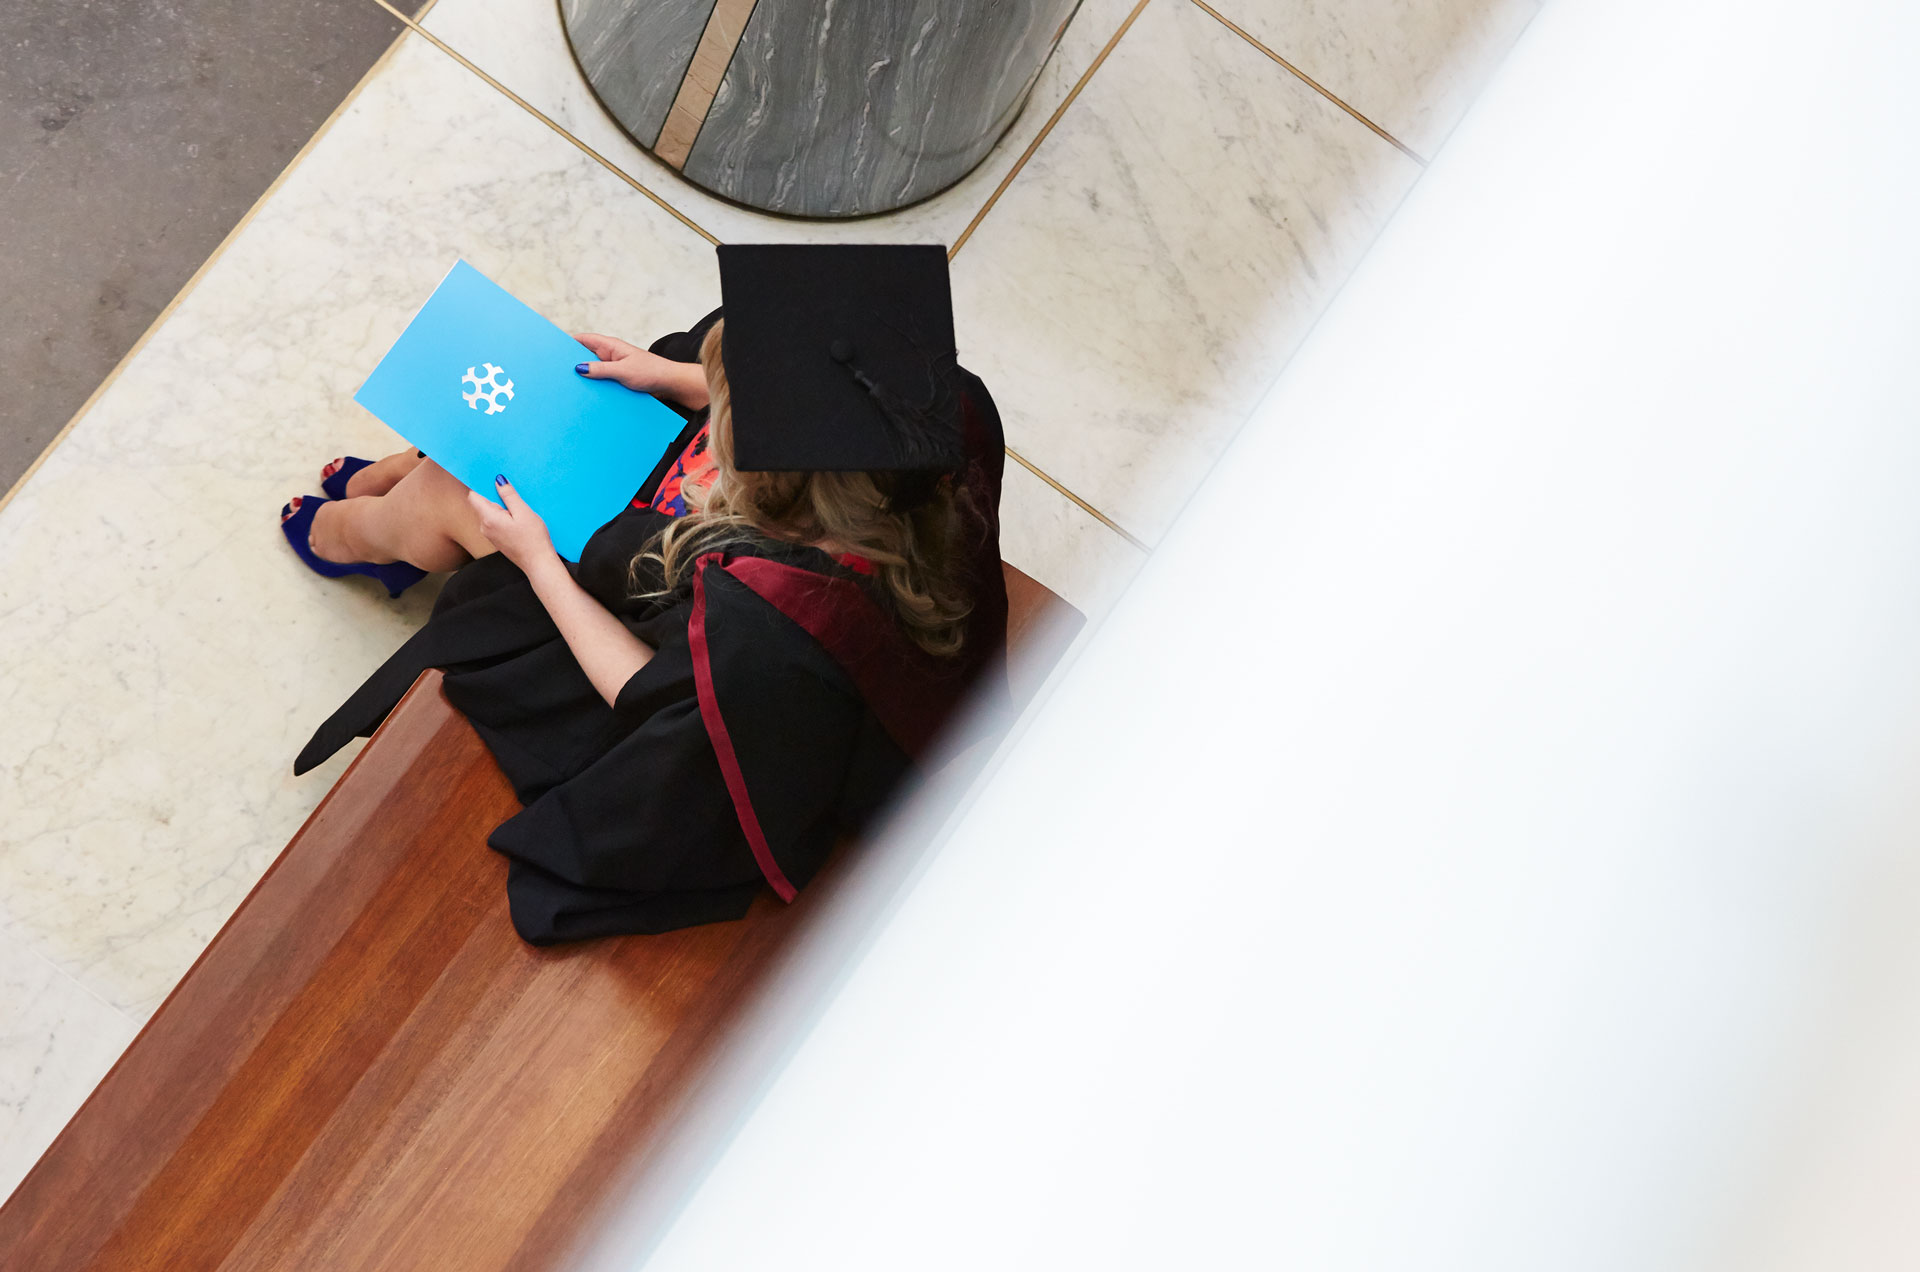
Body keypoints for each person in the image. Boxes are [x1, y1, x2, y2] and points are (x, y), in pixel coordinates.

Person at [288, 244, 1009, 943]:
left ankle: (358, 534)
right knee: (525, 422)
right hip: (801, 623)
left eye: (721, 419)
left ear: (758, 485)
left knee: (465, 485)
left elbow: (645, 691)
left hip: (721, 713)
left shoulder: (763, 625)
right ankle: (401, 489)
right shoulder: (943, 414)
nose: (711, 424)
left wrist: (537, 563)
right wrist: (674, 375)